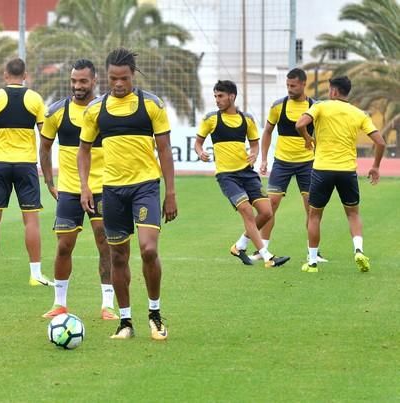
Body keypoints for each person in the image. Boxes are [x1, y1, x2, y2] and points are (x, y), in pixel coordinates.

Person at [78, 48, 177, 340]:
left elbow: (165, 149)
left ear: (133, 75)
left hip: (145, 186)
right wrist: (85, 186)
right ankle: (125, 322)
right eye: (112, 78)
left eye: (123, 78)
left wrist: (170, 192)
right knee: (118, 256)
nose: (118, 84)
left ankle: (155, 315)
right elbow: (83, 151)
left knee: (148, 249)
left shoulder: (151, 105)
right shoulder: (96, 109)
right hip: (112, 191)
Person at [39, 59, 118, 320]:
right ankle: (60, 303)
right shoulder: (56, 112)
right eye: (74, 81)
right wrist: (50, 182)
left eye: (83, 81)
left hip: (102, 188)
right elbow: (45, 147)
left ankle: (108, 304)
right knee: (64, 245)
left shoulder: (107, 110)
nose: (77, 86)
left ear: (94, 81)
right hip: (70, 190)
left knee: (104, 243)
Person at [194, 80, 290, 268]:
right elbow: (198, 142)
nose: (217, 100)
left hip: (247, 173)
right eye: (215, 96)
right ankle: (267, 256)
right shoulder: (210, 119)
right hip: (227, 176)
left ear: (232, 96)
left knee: (266, 212)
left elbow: (254, 143)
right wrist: (200, 152)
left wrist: (254, 154)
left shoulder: (247, 119)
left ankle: (239, 246)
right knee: (246, 211)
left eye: (220, 96)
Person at [0, 58, 51, 287]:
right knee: (31, 220)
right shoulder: (35, 99)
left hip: (0, 165)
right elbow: (45, 138)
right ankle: (36, 275)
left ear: (5, 75)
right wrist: (46, 169)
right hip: (26, 165)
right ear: (25, 75)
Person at [296, 76, 385, 273]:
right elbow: (380, 142)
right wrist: (376, 166)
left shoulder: (320, 107)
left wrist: (307, 138)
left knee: (315, 215)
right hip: (347, 171)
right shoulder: (358, 113)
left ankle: (312, 262)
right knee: (353, 214)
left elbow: (300, 123)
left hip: (322, 170)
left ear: (334, 91)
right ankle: (359, 250)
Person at [255, 68, 326, 263]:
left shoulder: (315, 107)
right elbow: (267, 132)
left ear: (304, 84)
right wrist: (263, 159)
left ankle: (314, 252)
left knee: (311, 208)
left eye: (293, 86)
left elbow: (321, 133)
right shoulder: (278, 106)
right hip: (282, 163)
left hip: (308, 164)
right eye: (287, 85)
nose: (289, 89)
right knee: (271, 206)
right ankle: (263, 249)